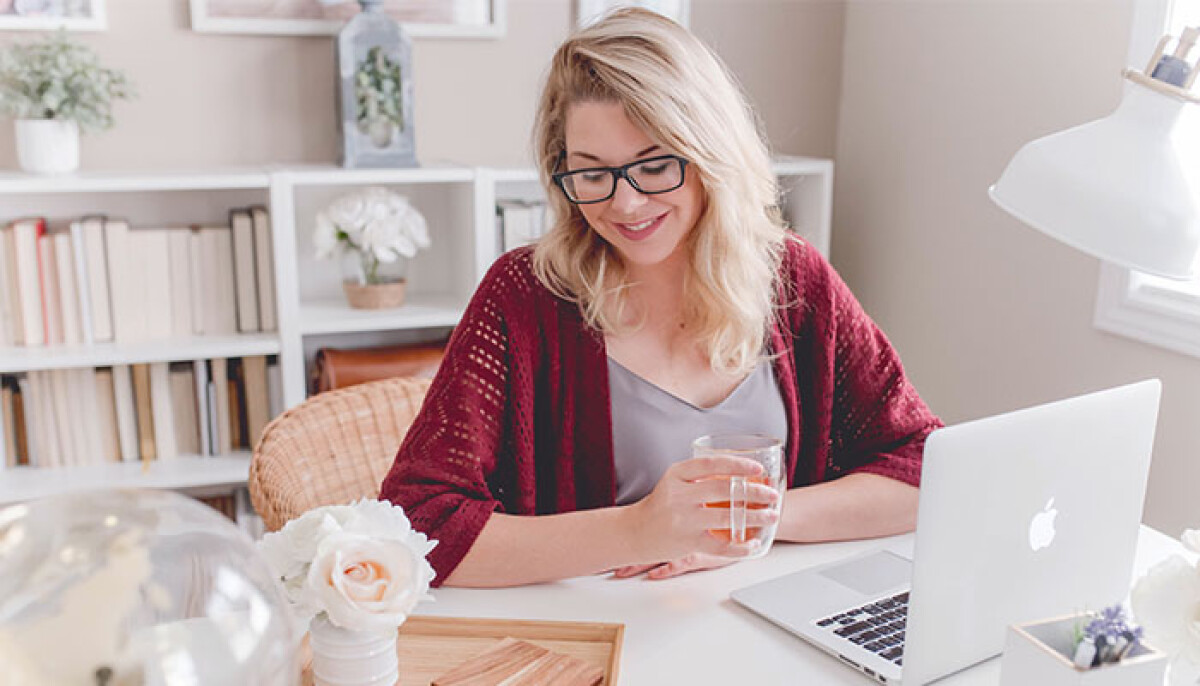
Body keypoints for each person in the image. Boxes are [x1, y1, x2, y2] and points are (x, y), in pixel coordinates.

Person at [379, 7, 941, 588]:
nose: (624, 204)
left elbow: (925, 467)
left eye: (654, 165)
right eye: (592, 172)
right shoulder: (524, 298)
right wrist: (639, 529)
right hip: (601, 640)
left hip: (761, 623)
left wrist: (750, 523)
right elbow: (418, 526)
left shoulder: (793, 279)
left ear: (710, 154)